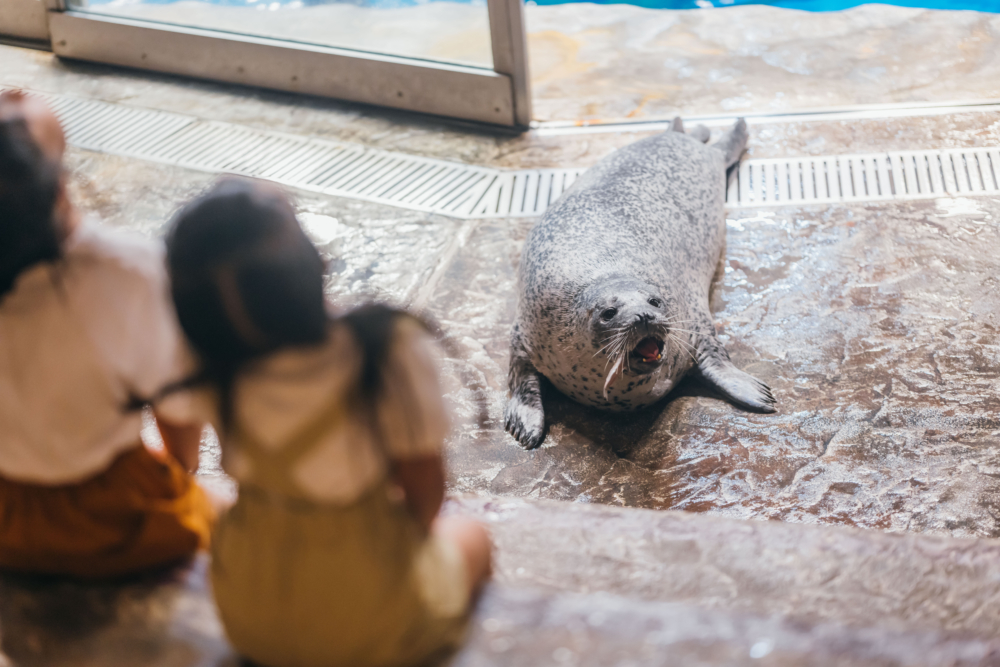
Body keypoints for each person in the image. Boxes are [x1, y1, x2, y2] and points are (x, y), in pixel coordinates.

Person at [165, 178, 492, 667]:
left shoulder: (201, 362)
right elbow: (425, 490)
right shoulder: (385, 352)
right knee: (474, 538)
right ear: (315, 265)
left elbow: (179, 448)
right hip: (371, 621)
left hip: (252, 613)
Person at [0, 90, 214, 579]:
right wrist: (179, 478)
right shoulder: (129, 271)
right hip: (109, 515)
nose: (12, 96)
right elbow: (179, 407)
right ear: (58, 190)